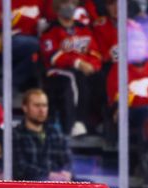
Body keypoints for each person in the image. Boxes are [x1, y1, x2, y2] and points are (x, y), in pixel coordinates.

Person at [40, 0, 103, 136]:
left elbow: (95, 52)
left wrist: (93, 65)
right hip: (57, 71)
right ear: (57, 7)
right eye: (65, 3)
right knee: (74, 77)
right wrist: (78, 63)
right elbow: (53, 56)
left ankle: (98, 123)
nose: (69, 6)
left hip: (83, 67)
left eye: (72, 3)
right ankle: (75, 122)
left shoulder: (83, 28)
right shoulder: (50, 30)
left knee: (101, 77)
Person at [12, 88, 72, 181]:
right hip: (29, 187)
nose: (42, 110)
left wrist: (66, 172)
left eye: (44, 105)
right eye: (37, 105)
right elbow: (20, 168)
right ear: (25, 107)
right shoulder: (16, 135)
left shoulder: (56, 133)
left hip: (57, 185)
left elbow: (67, 161)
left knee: (91, 186)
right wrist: (48, 175)